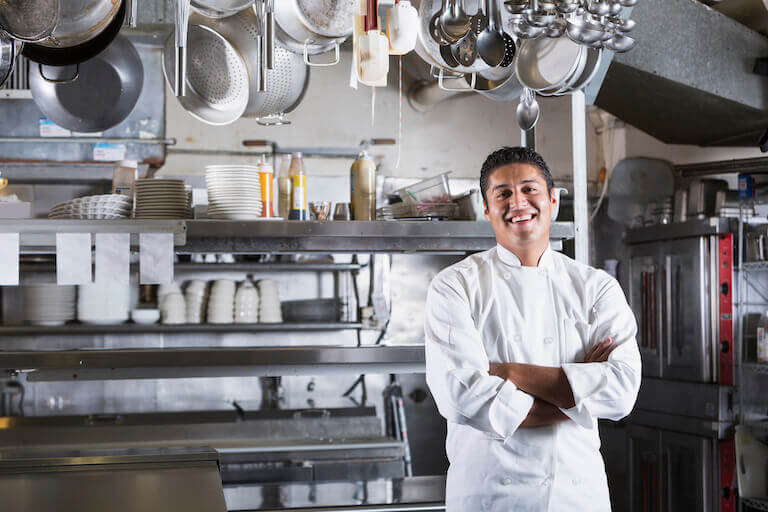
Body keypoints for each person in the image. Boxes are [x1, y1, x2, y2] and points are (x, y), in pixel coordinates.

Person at [425, 146, 641, 511]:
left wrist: (508, 372)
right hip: (491, 497)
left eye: (529, 190)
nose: (518, 202)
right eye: (503, 194)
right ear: (486, 208)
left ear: (553, 201)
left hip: (577, 495)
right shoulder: (455, 285)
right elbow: (461, 397)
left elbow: (621, 392)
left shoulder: (594, 287)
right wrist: (580, 396)